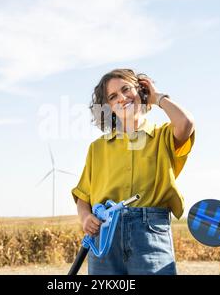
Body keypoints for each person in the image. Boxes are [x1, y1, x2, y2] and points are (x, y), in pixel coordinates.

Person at [71, 68, 195, 275]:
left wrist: (157, 97)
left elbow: (186, 123)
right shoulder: (97, 148)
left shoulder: (162, 135)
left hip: (150, 232)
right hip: (105, 236)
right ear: (108, 107)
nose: (121, 98)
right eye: (113, 97)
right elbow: (84, 196)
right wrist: (85, 218)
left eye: (126, 89)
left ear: (141, 91)